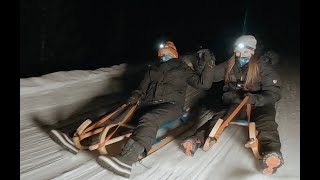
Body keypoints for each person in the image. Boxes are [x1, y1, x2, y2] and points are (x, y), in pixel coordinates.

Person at [50, 41, 215, 178]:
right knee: (119, 113)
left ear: (174, 54)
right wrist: (135, 96)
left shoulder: (184, 70)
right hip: (146, 104)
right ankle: (78, 138)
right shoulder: (153, 70)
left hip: (170, 106)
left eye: (167, 54)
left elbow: (204, 84)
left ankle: (126, 160)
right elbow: (141, 88)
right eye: (161, 55)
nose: (163, 57)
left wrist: (208, 62)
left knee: (150, 119)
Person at [181, 35, 284, 175]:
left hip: (260, 102)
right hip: (238, 101)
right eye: (238, 52)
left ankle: (272, 153)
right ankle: (197, 139)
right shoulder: (230, 63)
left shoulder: (262, 65)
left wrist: (256, 99)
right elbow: (211, 77)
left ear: (253, 51)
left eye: (245, 52)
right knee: (222, 117)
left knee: (266, 121)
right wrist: (205, 63)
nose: (241, 55)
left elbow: (274, 92)